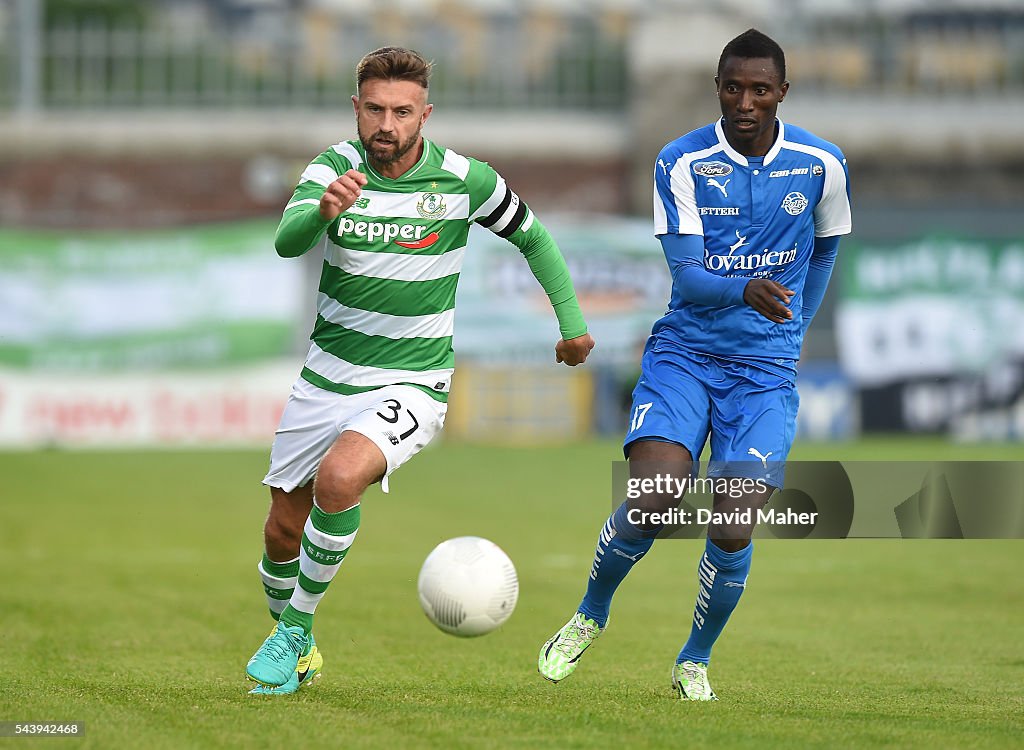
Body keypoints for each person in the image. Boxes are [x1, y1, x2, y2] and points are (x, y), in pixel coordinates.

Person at [246, 46, 595, 695]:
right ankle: (299, 647)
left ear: (424, 114)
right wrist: (324, 212)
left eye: (402, 112)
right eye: (375, 109)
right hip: (326, 375)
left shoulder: (464, 179)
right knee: (281, 530)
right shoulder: (334, 167)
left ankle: (294, 626)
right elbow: (285, 239)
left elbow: (533, 237)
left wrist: (571, 325)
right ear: (356, 108)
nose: (387, 124)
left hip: (413, 381)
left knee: (340, 478)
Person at [537, 29, 851, 700]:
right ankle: (591, 613)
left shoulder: (821, 164)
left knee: (735, 522)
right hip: (688, 354)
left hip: (765, 370)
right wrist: (745, 289)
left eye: (760, 90)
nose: (746, 102)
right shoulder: (681, 161)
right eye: (733, 88)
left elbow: (824, 251)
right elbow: (687, 274)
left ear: (781, 94)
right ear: (718, 88)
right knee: (654, 498)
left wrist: (795, 328)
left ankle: (694, 659)